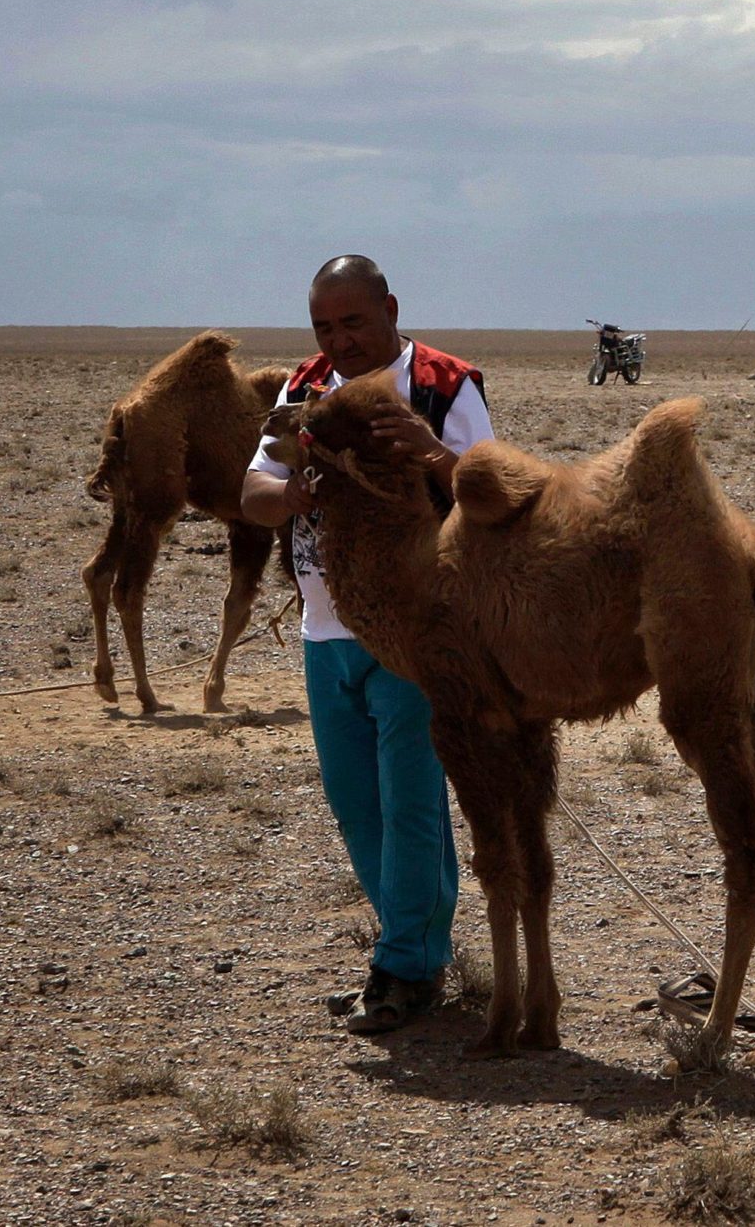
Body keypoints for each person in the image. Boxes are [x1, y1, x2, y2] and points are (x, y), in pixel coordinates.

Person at [241, 255, 494, 1035]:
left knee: (411, 803)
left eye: (353, 321)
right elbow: (251, 493)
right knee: (360, 809)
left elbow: (488, 490)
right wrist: (289, 494)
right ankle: (416, 950)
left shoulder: (444, 384)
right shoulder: (304, 390)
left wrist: (425, 447)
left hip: (414, 632)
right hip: (326, 629)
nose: (339, 339)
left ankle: (402, 968)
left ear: (389, 307)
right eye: (324, 325)